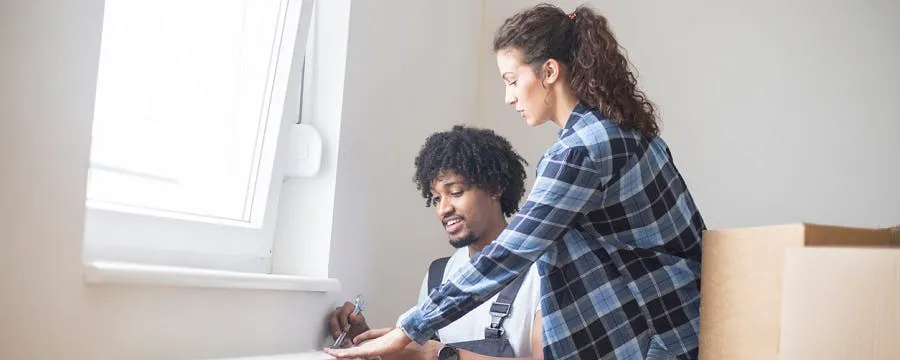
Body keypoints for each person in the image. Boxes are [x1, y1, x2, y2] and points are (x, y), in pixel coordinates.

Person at [326, 3, 705, 360]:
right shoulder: (631, 134)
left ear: (549, 72)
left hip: (651, 341)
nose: (509, 97)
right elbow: (692, 244)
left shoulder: (580, 151)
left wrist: (409, 329)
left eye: (512, 80)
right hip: (681, 331)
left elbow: (509, 254)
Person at [328, 126, 545, 359]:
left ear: (495, 188)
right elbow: (420, 353)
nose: (443, 209)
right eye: (436, 198)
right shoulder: (439, 275)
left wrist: (439, 354)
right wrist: (363, 338)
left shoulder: (543, 269)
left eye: (456, 192)